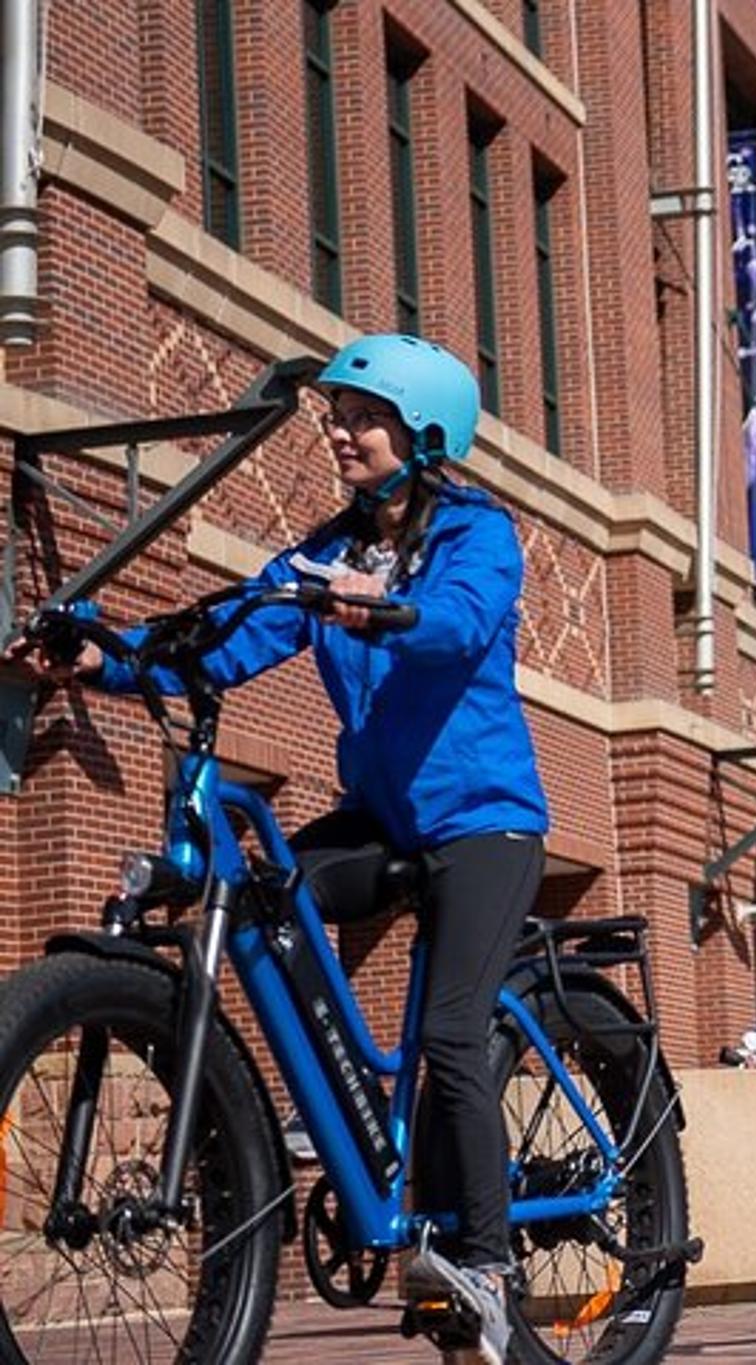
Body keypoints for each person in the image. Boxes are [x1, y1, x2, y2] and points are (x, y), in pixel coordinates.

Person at [11, 333, 543, 1364]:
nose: (339, 431)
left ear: (421, 432)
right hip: (382, 818)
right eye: (336, 415)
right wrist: (101, 657)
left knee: (446, 1036)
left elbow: (456, 625)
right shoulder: (328, 549)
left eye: (361, 416)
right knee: (266, 900)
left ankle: (484, 1260)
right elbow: (224, 639)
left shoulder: (479, 535)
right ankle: (323, 1101)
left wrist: (377, 610)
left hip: (484, 822)